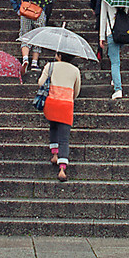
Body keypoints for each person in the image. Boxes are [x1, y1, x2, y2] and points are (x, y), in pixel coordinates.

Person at [39, 53, 81, 182]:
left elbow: (40, 83)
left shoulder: (50, 66)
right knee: (64, 137)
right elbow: (77, 90)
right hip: (66, 104)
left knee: (53, 127)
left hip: (52, 102)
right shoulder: (75, 70)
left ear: (59, 55)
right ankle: (62, 169)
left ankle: (55, 154)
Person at [98, 0, 129, 101]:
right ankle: (115, 79)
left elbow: (103, 17)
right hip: (124, 33)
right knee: (115, 57)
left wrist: (101, 36)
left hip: (112, 33)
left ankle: (118, 89)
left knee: (115, 62)